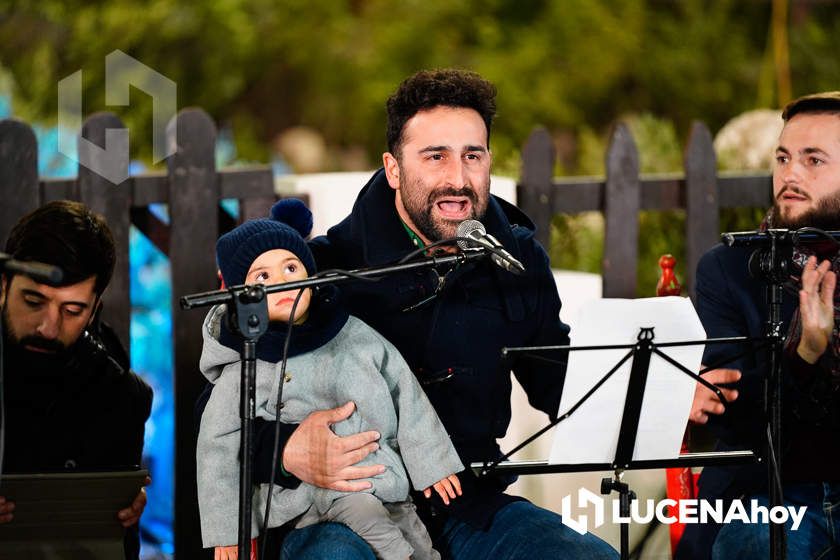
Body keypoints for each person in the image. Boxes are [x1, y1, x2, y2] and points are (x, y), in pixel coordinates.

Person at [238, 69, 618, 559]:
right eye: (435, 156)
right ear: (394, 169)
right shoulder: (325, 269)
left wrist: (664, 398)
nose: (457, 180)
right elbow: (222, 406)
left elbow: (560, 382)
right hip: (344, 511)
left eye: (472, 156)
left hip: (470, 506)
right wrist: (286, 449)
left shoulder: (516, 259)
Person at [197, 199, 464, 560]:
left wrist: (432, 464)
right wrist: (227, 532)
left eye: (291, 267)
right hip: (309, 498)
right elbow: (217, 449)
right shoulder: (245, 367)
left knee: (413, 534)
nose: (281, 281)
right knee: (381, 531)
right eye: (262, 276)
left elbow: (405, 392)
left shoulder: (354, 335)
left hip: (381, 479)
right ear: (242, 295)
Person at [677, 92, 840, 559]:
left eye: (814, 161)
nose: (790, 175)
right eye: (784, 158)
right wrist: (806, 354)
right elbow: (738, 420)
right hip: (767, 491)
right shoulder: (731, 267)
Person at [0, 200, 153, 559]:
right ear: (3, 285)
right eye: (33, 301)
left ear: (95, 308)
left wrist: (118, 510)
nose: (49, 328)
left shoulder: (117, 391)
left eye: (72, 311)